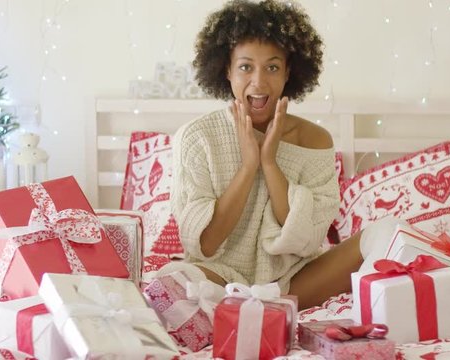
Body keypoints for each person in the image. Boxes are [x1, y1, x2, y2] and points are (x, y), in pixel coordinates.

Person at [165, 0, 393, 310]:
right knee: (173, 280)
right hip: (217, 277)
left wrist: (270, 163)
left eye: (272, 67)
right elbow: (204, 243)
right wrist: (249, 165)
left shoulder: (314, 140)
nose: (259, 82)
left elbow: (305, 241)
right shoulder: (196, 138)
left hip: (294, 281)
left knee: (386, 232)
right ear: (227, 71)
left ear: (289, 73)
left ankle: (257, 308)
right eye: (246, 67)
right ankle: (253, 309)